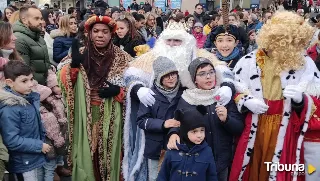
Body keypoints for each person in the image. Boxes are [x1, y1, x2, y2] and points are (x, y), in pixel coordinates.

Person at [122, 21, 234, 181]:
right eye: (169, 41)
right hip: (159, 127)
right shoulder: (151, 56)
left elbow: (222, 68)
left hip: (191, 125)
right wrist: (138, 88)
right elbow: (131, 74)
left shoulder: (198, 54)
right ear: (162, 41)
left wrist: (227, 86)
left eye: (177, 41)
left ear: (186, 41)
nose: (173, 44)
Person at [229, 11, 320, 181]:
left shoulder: (305, 64)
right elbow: (234, 87)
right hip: (256, 126)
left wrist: (301, 101)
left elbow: (316, 97)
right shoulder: (249, 60)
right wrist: (245, 100)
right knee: (252, 167)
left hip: (286, 129)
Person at [58, 15, 131, 181]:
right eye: (96, 31)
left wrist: (118, 90)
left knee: (110, 154)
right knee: (87, 155)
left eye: (105, 31)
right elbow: (62, 83)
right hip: (85, 114)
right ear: (89, 34)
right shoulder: (80, 54)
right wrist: (74, 67)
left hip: (112, 114)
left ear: (111, 34)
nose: (100, 35)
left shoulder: (123, 58)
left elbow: (135, 87)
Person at [167, 58, 244, 181]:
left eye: (211, 72)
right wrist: (173, 133)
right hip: (197, 162)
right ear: (194, 79)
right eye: (202, 74)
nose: (208, 77)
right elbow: (177, 122)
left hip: (221, 162)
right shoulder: (187, 99)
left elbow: (239, 128)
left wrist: (226, 119)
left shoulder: (223, 96)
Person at [0, 60, 51, 181]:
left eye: (31, 79)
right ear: (9, 82)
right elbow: (11, 140)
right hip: (23, 163)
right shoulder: (10, 108)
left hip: (34, 157)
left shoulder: (29, 99)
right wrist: (39, 145)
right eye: (24, 81)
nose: (31, 84)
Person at [137, 56, 183, 181]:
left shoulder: (183, 93)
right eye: (166, 75)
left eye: (173, 73)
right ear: (159, 77)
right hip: (155, 149)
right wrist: (163, 124)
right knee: (155, 177)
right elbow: (141, 121)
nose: (171, 78)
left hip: (177, 146)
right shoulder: (150, 95)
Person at [157, 106, 218, 181]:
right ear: (185, 132)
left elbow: (212, 176)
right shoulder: (173, 150)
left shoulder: (207, 151)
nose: (199, 135)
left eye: (202, 130)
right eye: (194, 131)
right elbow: (163, 175)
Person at [13, 6, 50, 86]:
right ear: (24, 20)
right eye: (36, 18)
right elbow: (24, 72)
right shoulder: (19, 39)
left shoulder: (38, 36)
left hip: (45, 86)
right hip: (33, 89)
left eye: (41, 18)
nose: (41, 22)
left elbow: (46, 65)